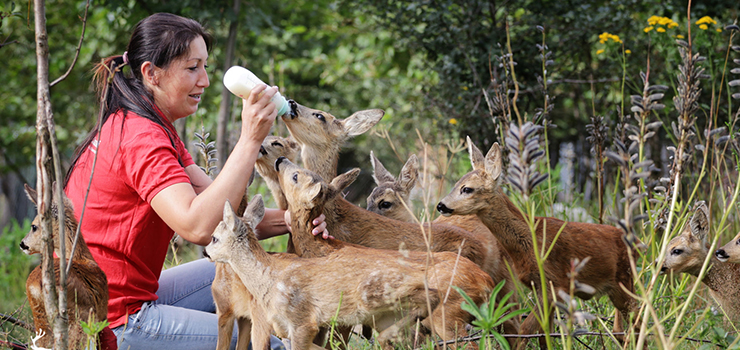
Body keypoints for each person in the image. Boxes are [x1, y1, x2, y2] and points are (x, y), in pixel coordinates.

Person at [63, 13, 326, 350]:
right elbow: (199, 227)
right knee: (265, 344)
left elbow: (224, 218)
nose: (204, 80)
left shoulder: (149, 125)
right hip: (115, 323)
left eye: (205, 67)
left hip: (118, 299)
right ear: (151, 74)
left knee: (267, 269)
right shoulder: (140, 137)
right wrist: (249, 141)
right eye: (192, 68)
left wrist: (294, 221)